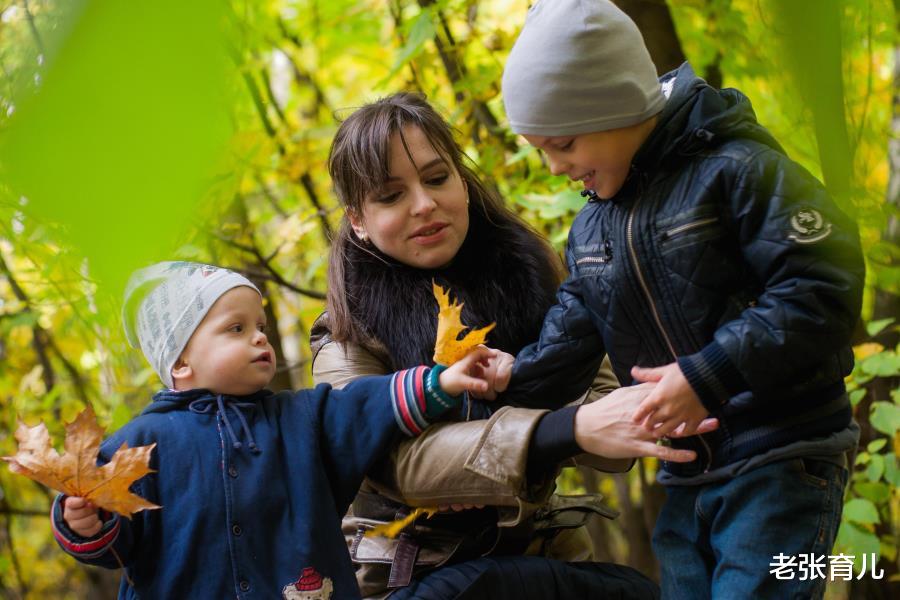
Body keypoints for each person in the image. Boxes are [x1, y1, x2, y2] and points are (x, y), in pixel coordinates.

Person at [498, 1, 865, 598]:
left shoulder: (737, 169)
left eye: (562, 143)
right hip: (687, 472)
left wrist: (707, 375)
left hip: (780, 455)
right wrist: (510, 377)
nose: (554, 167)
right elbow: (572, 333)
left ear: (614, 105)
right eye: (540, 148)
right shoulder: (593, 230)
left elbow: (822, 288)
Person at [315, 92, 717, 599]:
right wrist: (566, 431)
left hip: (542, 551)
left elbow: (602, 395)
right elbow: (399, 463)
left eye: (438, 178)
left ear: (462, 181)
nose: (425, 205)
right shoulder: (344, 331)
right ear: (358, 220)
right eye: (391, 196)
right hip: (412, 574)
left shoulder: (530, 275)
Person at [50, 261, 496, 599]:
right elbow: (106, 533)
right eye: (236, 329)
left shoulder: (302, 418)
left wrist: (442, 382)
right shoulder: (141, 444)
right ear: (180, 362)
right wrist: (84, 523)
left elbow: (369, 405)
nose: (260, 337)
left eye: (260, 326)